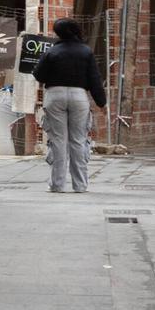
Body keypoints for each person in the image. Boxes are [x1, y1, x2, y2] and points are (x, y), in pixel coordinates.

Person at [33, 18, 107, 193]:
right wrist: (101, 102)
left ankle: (57, 185)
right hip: (79, 96)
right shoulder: (86, 52)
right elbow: (95, 79)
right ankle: (80, 185)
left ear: (58, 33)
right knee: (78, 140)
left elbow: (39, 75)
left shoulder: (52, 52)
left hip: (55, 95)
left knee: (58, 141)